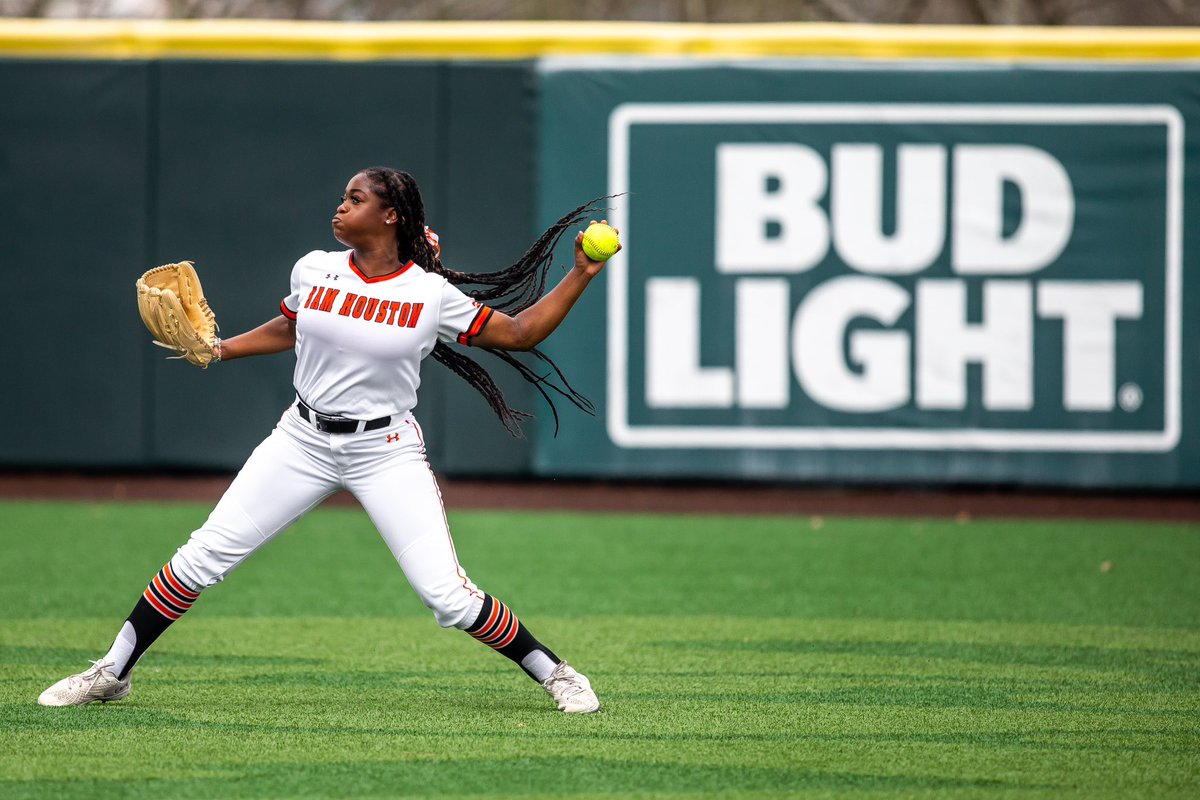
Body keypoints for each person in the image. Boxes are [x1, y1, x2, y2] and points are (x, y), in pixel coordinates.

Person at [38, 166, 617, 713]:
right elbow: (291, 325)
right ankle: (111, 672)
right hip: (302, 439)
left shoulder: (429, 294)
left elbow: (520, 332)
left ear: (391, 216)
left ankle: (556, 672)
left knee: (447, 595)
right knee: (204, 554)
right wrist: (222, 348)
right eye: (344, 197)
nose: (340, 207)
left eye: (356, 199)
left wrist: (581, 273)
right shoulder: (314, 268)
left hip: (384, 450)